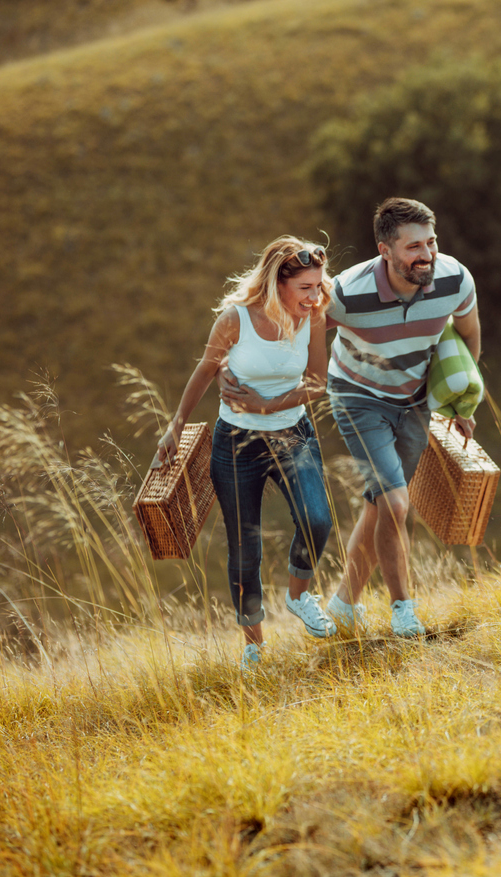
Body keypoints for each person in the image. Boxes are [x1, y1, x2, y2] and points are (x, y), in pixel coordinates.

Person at [156, 236, 337, 671]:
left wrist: (267, 406)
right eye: (305, 288)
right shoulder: (235, 320)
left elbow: (316, 382)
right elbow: (206, 369)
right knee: (245, 549)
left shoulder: (312, 317)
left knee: (317, 519)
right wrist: (174, 426)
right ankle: (254, 644)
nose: (314, 297)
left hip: (292, 432)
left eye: (318, 286)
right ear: (279, 283)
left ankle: (298, 596)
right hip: (236, 444)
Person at [323, 197, 480, 637]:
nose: (427, 254)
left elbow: (468, 339)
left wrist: (459, 403)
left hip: (415, 400)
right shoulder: (346, 293)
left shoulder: (454, 279)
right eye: (413, 247)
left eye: (430, 242)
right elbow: (305, 325)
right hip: (357, 397)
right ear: (384, 251)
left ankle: (342, 605)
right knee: (394, 503)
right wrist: (301, 383)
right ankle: (403, 613)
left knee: (382, 505)